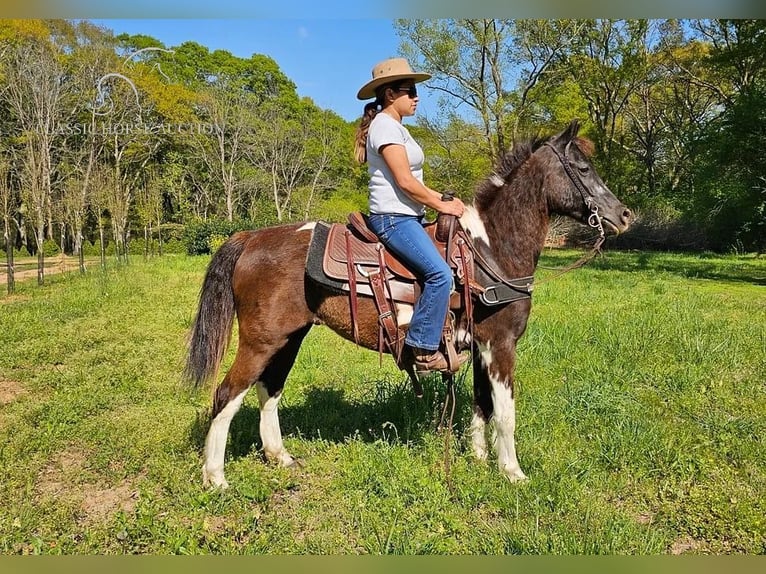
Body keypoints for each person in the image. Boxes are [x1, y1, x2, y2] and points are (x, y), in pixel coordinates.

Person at [354, 58, 468, 373]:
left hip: (408, 215)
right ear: (390, 94)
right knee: (440, 275)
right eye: (411, 91)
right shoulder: (386, 126)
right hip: (394, 218)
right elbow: (405, 182)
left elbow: (412, 182)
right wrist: (441, 206)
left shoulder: (397, 127)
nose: (417, 97)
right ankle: (422, 350)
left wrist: (440, 198)